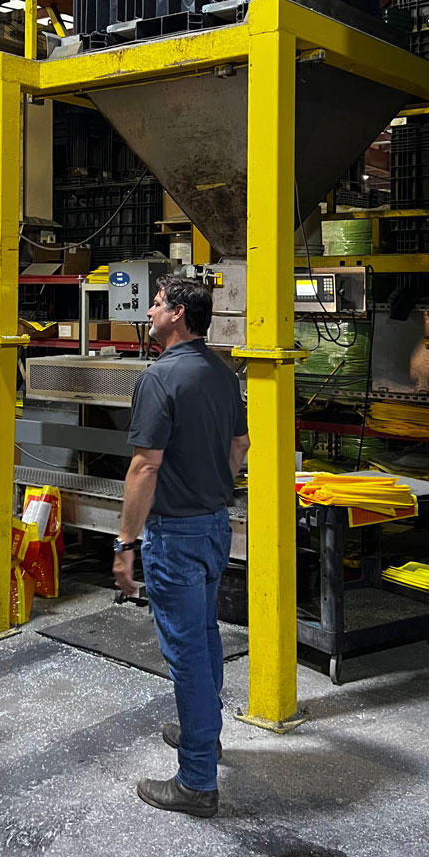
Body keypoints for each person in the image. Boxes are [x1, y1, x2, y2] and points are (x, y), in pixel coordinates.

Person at [113, 274, 249, 817]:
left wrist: (125, 542)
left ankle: (196, 780)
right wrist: (212, 481)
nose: (149, 311)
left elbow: (145, 465)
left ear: (178, 315)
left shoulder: (160, 377)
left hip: (176, 533)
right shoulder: (222, 372)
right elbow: (239, 444)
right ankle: (205, 734)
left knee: (186, 651)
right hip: (216, 524)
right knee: (205, 636)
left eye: (157, 304)